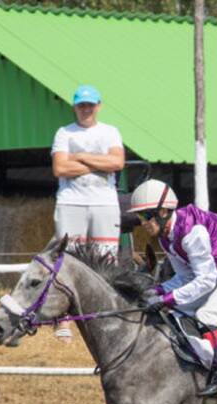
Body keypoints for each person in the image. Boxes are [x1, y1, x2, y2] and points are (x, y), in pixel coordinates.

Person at [130, 180, 217, 397]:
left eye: (145, 216)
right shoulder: (166, 238)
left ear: (163, 212)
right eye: (139, 217)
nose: (142, 223)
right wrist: (158, 291)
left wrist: (168, 298)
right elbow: (185, 277)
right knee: (177, 311)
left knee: (208, 314)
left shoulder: (192, 233)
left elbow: (205, 281)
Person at [50, 84, 126, 342]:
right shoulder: (63, 133)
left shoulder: (110, 132)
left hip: (104, 202)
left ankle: (106, 314)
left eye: (90, 105)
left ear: (98, 106)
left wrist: (80, 157)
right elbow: (60, 168)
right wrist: (98, 164)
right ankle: (62, 318)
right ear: (75, 106)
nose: (86, 110)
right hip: (71, 202)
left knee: (106, 259)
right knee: (68, 259)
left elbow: (117, 163)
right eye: (82, 105)